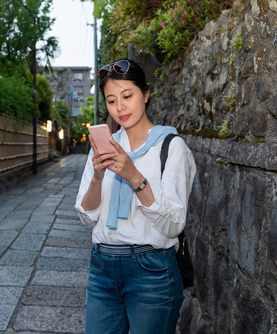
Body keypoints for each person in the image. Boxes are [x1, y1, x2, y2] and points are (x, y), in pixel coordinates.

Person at [74, 59, 197, 334]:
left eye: (127, 96)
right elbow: (86, 216)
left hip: (151, 270)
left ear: (146, 94)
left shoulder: (171, 148)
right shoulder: (104, 148)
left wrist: (134, 176)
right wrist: (97, 176)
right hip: (102, 267)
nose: (120, 107)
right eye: (111, 100)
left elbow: (174, 224)